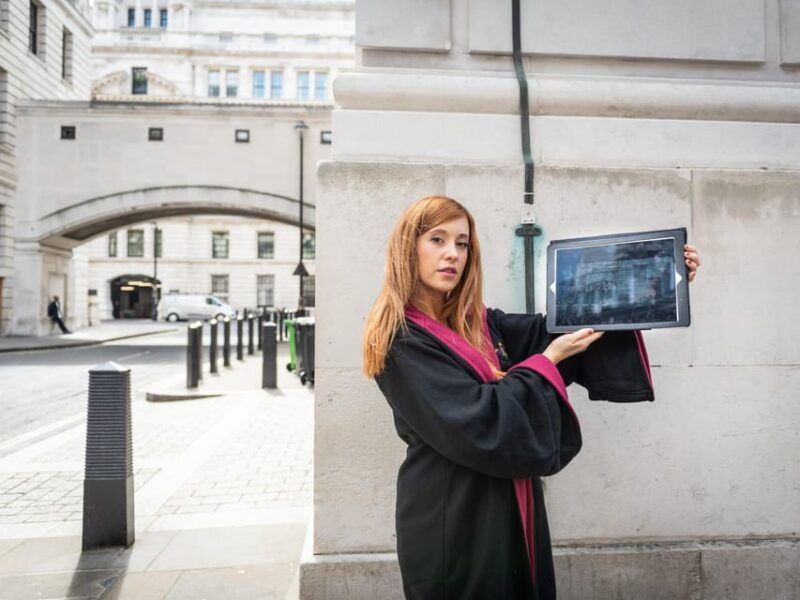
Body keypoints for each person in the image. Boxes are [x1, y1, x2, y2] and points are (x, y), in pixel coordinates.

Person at [362, 196, 700, 599]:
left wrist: (652, 280)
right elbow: (475, 419)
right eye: (437, 239)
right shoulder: (401, 339)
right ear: (407, 248)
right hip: (452, 514)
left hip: (508, 500)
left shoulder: (480, 323)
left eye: (463, 243)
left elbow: (559, 327)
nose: (452, 254)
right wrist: (546, 363)